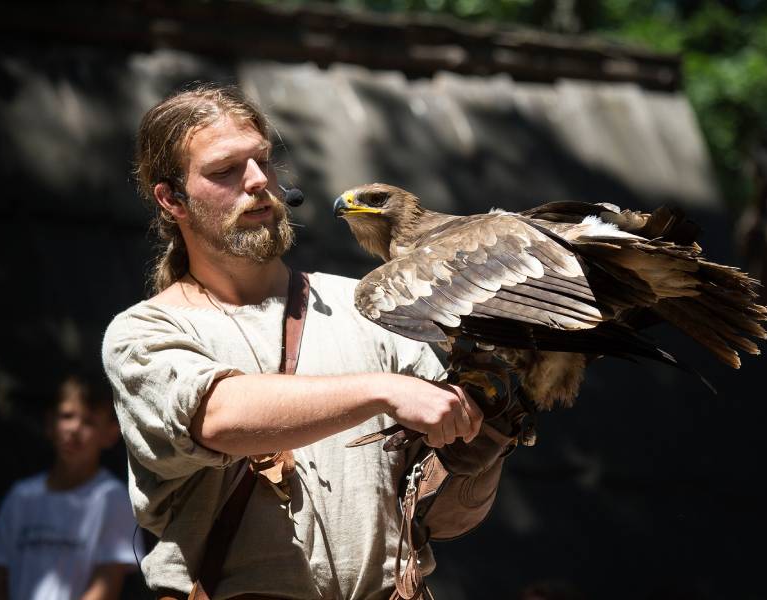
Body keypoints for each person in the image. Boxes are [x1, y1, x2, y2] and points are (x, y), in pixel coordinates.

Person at [101, 83, 521, 600]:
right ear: (172, 199)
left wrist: (486, 438)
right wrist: (383, 390)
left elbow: (448, 519)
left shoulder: (371, 309)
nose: (258, 181)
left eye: (262, 161)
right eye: (224, 170)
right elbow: (217, 416)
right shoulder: (146, 333)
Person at [0, 374, 144, 600]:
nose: (75, 428)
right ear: (50, 423)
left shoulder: (112, 498)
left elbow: (107, 582)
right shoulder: (21, 496)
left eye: (89, 421)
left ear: (110, 434)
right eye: (67, 416)